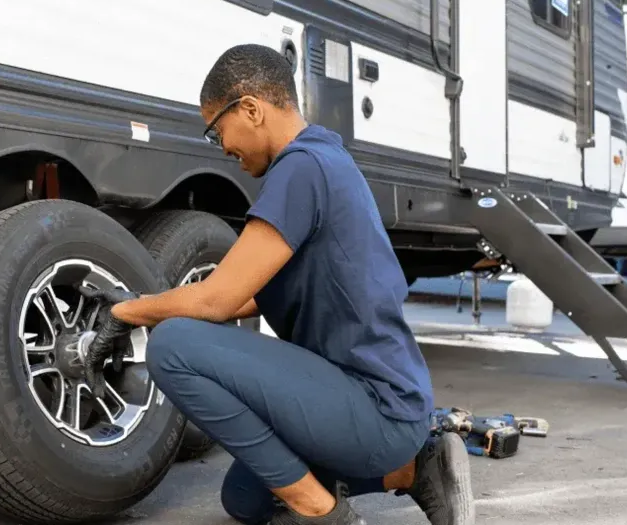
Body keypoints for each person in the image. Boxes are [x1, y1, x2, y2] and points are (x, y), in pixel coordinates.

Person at [79, 43, 475, 525]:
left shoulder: (301, 168)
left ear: (250, 108)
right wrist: (147, 302)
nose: (222, 146)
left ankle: (324, 512)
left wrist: (126, 315)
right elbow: (248, 296)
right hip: (378, 403)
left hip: (374, 406)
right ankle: (415, 470)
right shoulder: (328, 160)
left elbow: (217, 299)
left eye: (216, 130)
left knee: (172, 346)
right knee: (245, 497)